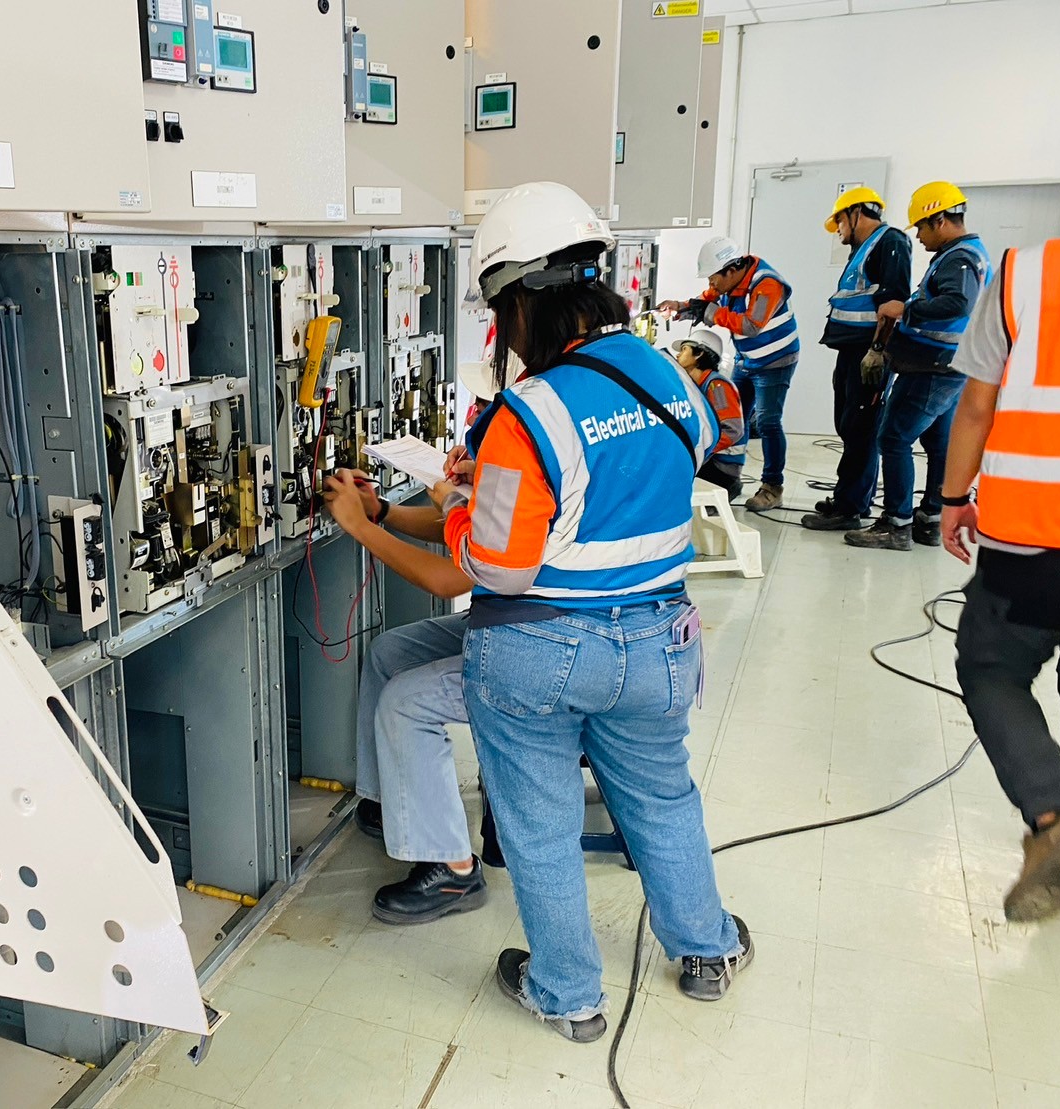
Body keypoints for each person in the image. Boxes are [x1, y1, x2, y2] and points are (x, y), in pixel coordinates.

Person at [435, 180, 752, 1044]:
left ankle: (568, 993)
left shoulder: (528, 411)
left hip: (538, 648)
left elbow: (499, 567)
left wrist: (461, 505)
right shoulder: (669, 374)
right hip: (656, 638)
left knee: (538, 823)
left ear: (520, 302)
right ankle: (707, 948)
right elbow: (693, 452)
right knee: (661, 796)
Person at [941, 235, 1060, 923]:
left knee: (991, 667)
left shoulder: (1030, 273)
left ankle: (1055, 814)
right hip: (1034, 531)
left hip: (1033, 533)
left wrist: (951, 496)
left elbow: (976, 404)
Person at [320, 473, 486, 925]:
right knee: (388, 653)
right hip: (504, 617)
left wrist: (360, 527)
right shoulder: (517, 456)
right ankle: (391, 804)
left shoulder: (533, 461)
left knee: (404, 702)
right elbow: (462, 524)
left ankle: (454, 870)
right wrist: (382, 512)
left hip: (536, 640)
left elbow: (448, 579)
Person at [847, 182, 991, 551]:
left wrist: (905, 309)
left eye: (922, 227)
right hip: (950, 365)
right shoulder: (969, 253)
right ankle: (929, 520)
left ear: (939, 220)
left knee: (893, 439)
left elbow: (957, 303)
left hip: (932, 367)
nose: (918, 236)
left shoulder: (959, 258)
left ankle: (895, 525)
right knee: (939, 442)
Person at [658, 236, 800, 512]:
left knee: (768, 422)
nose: (711, 285)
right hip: (747, 360)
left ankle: (772, 487)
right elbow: (705, 301)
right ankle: (730, 477)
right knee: (736, 417)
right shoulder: (730, 281)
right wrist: (680, 308)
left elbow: (750, 325)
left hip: (776, 360)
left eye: (714, 279)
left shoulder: (767, 284)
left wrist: (712, 314)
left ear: (732, 270)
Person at [802, 187, 913, 531]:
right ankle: (854, 498)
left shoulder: (890, 242)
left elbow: (893, 304)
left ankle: (848, 508)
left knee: (861, 428)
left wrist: (877, 351)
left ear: (856, 213)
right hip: (852, 350)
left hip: (870, 355)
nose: (837, 229)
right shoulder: (863, 249)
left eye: (838, 220)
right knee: (849, 424)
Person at [671, 326, 747, 499]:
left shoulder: (716, 386)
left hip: (722, 469)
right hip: (710, 461)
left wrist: (699, 449)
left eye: (684, 349)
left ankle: (729, 487)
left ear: (699, 354)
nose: (678, 355)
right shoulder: (695, 386)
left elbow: (732, 430)